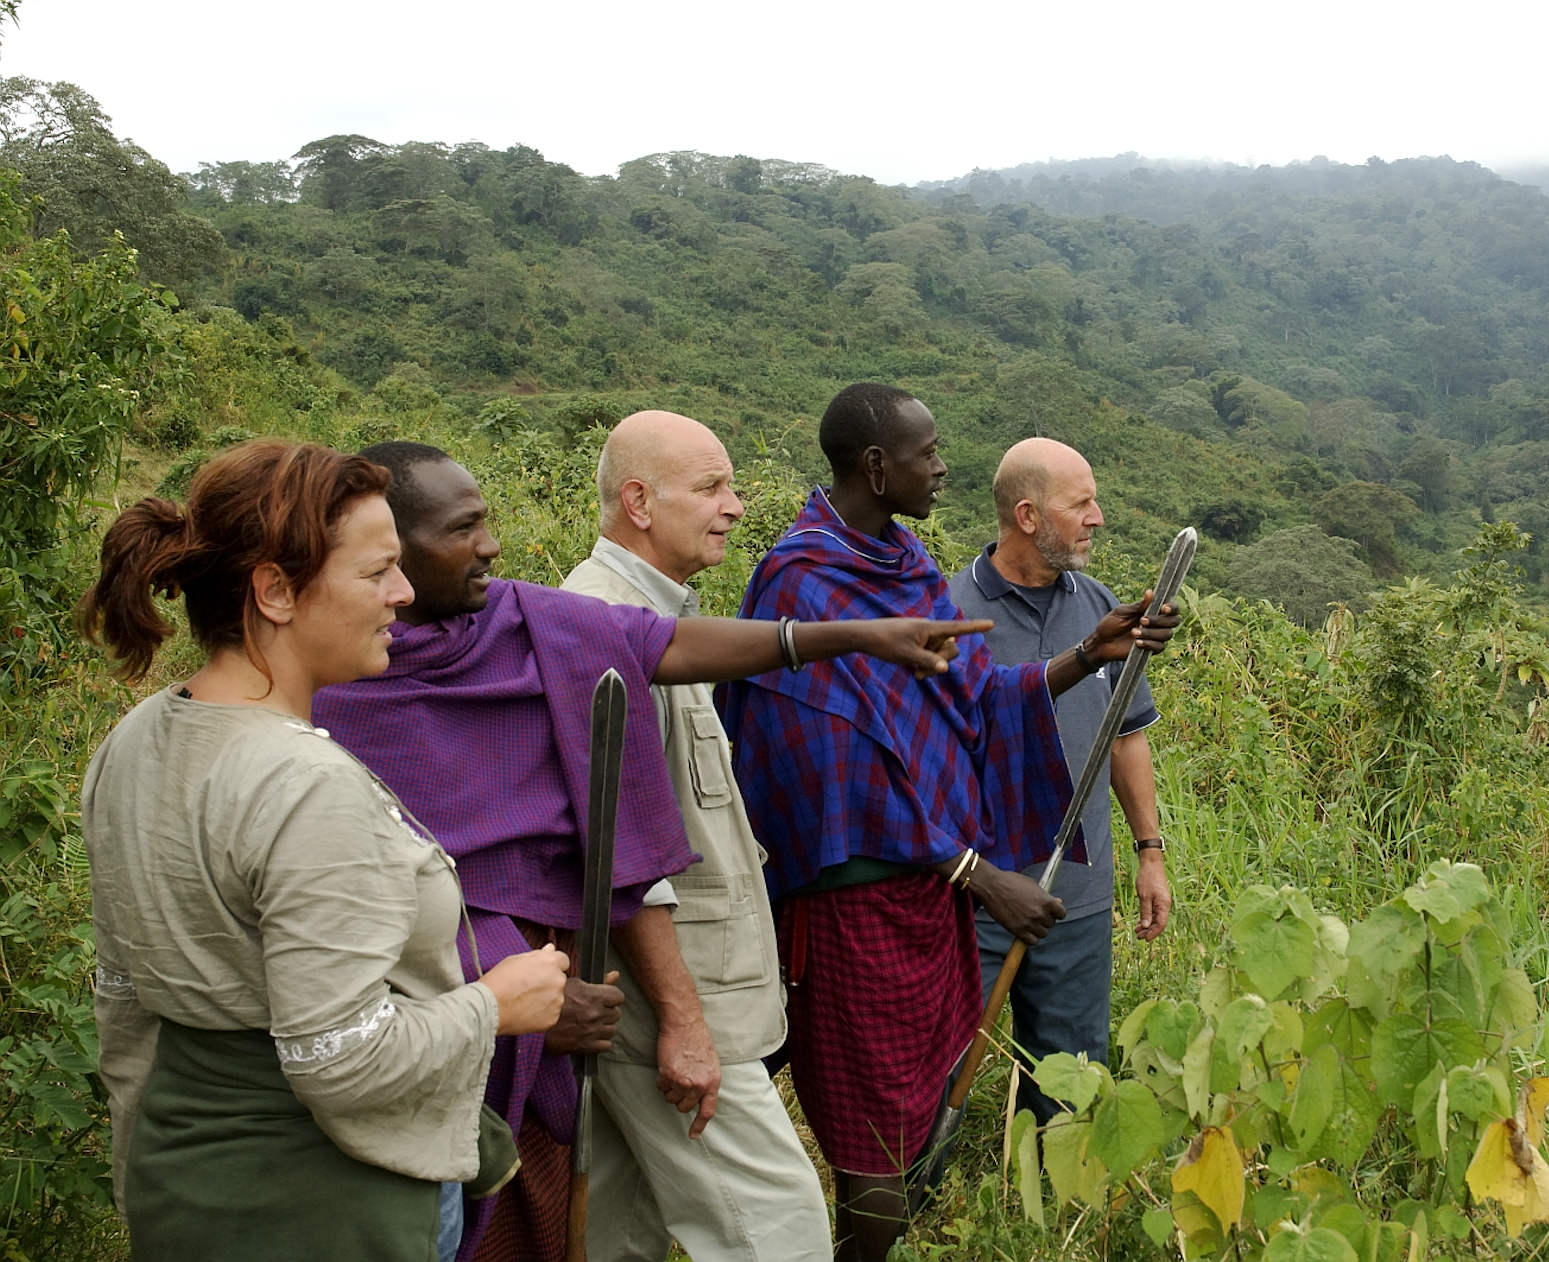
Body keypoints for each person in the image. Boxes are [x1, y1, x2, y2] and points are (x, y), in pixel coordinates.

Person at [312, 442, 983, 1262]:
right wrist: (522, 1000)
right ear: (390, 551)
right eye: (462, 529)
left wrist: (857, 637)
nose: (491, 545)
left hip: (554, 1003)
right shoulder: (338, 696)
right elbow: (373, 919)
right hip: (448, 1033)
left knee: (594, 1226)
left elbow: (668, 647)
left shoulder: (528, 624)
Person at [79, 439, 572, 1262]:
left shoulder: (137, 737)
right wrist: (496, 1004)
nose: (402, 594)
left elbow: (124, 998)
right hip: (329, 1210)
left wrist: (148, 1168)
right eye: (377, 572)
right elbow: (339, 1060)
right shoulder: (305, 784)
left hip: (184, 1186)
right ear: (274, 590)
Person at [719, 383, 1178, 1262]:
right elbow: (840, 777)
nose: (940, 468)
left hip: (922, 897)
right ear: (875, 466)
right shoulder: (804, 579)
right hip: (850, 901)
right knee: (873, 1140)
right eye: (925, 453)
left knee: (895, 1122)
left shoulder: (906, 565)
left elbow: (973, 695)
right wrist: (977, 872)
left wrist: (1089, 653)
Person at [560, 410, 830, 1261]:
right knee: (781, 1229)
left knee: (616, 1230)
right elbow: (619, 857)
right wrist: (681, 1019)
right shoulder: (600, 625)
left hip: (683, 996)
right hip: (673, 1005)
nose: (736, 506)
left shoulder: (656, 618)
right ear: (640, 502)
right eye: (712, 487)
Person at [947, 437, 1172, 1126]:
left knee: (1072, 1084)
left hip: (1076, 897)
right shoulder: (953, 611)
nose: (1097, 517)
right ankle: (917, 1185)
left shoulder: (1098, 603)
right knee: (939, 1075)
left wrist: (1150, 851)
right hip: (974, 900)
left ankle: (1059, 1193)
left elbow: (1126, 734)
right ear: (1027, 516)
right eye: (1081, 505)